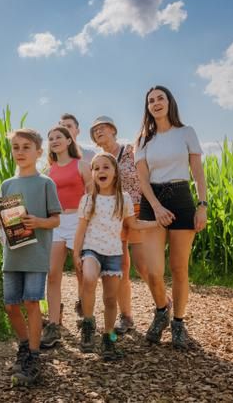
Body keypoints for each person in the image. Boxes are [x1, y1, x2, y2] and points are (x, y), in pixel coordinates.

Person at [134, 85, 208, 349]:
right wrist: (156, 207)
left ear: (169, 102)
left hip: (181, 197)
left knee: (179, 267)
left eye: (160, 98)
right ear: (147, 107)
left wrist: (202, 205)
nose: (155, 103)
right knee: (153, 271)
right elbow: (142, 179)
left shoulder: (186, 133)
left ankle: (178, 323)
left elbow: (198, 172)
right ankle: (161, 310)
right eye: (151, 100)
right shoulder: (142, 140)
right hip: (152, 200)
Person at [0, 128, 62, 386]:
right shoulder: (7, 185)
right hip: (13, 254)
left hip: (36, 254)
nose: (20, 152)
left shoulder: (46, 184)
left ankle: (34, 356)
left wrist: (39, 222)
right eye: (16, 147)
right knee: (10, 305)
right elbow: (1, 216)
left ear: (39, 152)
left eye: (26, 147)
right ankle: (24, 346)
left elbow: (55, 219)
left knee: (32, 302)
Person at [72, 153, 158, 361]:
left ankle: (108, 338)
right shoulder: (88, 200)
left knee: (111, 299)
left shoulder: (124, 199)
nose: (101, 171)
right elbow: (81, 230)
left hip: (113, 253)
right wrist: (77, 253)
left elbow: (133, 225)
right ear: (92, 174)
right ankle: (88, 324)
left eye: (106, 167)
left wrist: (157, 223)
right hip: (91, 249)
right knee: (90, 279)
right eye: (97, 168)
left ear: (115, 172)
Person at [89, 116, 146, 335]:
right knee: (121, 267)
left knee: (144, 266)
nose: (98, 132)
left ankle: (163, 302)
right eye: (94, 131)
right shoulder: (98, 160)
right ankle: (127, 317)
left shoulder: (131, 151)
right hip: (115, 216)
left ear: (113, 130)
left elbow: (146, 177)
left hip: (139, 210)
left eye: (102, 128)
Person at [41, 126, 91, 348]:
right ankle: (53, 326)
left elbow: (92, 195)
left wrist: (88, 222)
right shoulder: (48, 170)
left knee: (82, 272)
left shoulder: (81, 165)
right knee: (52, 274)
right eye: (50, 138)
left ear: (70, 140)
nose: (54, 141)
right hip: (57, 223)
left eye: (58, 137)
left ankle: (87, 320)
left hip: (78, 222)